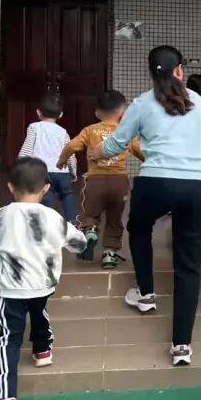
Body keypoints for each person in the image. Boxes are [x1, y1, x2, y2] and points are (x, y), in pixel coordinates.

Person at [89, 45, 201, 367]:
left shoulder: (142, 103)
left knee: (139, 226)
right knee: (188, 264)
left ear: (150, 72)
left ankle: (145, 293)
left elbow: (117, 142)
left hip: (155, 183)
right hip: (198, 187)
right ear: (180, 70)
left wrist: (97, 152)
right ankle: (182, 346)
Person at [0, 158, 88, 400]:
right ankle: (43, 350)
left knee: (8, 340)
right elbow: (79, 244)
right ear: (46, 188)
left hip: (13, 289)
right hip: (44, 284)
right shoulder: (53, 217)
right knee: (39, 310)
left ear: (10, 187)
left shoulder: (2, 216)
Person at [56, 90, 144, 269]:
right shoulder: (126, 132)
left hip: (95, 181)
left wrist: (62, 160)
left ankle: (90, 230)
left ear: (97, 112)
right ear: (123, 112)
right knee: (114, 218)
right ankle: (109, 254)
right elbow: (141, 151)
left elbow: (71, 146)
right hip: (119, 182)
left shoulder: (90, 130)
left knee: (90, 213)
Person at [17, 93, 76, 223]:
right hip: (61, 172)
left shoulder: (34, 127)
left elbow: (27, 149)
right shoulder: (63, 132)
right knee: (67, 194)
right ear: (61, 114)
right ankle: (72, 220)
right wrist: (73, 171)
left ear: (38, 112)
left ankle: (47, 223)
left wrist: (20, 167)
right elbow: (70, 153)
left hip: (41, 171)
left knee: (45, 196)